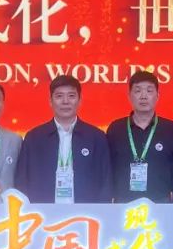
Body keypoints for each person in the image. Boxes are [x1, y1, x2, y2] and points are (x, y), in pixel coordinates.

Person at [14, 75, 111, 203]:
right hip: (43, 212)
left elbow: (106, 181)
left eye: (71, 96)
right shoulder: (34, 137)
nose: (65, 101)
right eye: (59, 96)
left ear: (80, 100)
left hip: (85, 212)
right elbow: (22, 180)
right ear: (50, 101)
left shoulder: (96, 137)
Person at [105, 69, 173, 203]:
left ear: (157, 96)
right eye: (138, 91)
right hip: (123, 202)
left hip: (160, 202)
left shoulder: (171, 129)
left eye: (149, 91)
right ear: (129, 96)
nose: (143, 96)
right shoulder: (116, 129)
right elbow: (107, 170)